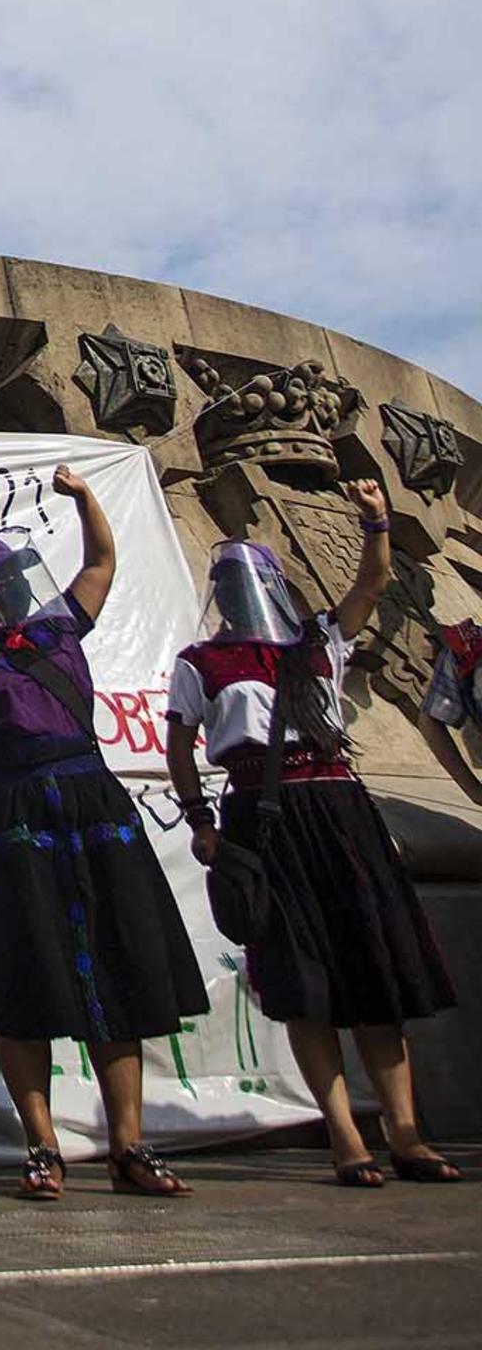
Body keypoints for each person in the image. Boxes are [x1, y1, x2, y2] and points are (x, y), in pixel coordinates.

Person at [0, 468, 207, 1201]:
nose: (8, 584)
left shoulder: (58, 627)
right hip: (0, 815)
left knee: (117, 965)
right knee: (22, 977)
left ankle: (129, 1144)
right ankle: (42, 1145)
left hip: (88, 804)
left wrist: (83, 498)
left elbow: (102, 561)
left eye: (13, 573)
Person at [166, 486, 460, 1188]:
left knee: (374, 972)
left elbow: (374, 581)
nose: (240, 593)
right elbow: (181, 744)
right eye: (228, 585)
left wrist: (376, 520)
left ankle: (407, 1133)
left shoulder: (317, 640)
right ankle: (346, 1136)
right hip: (263, 820)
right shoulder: (201, 662)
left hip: (337, 806)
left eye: (250, 582)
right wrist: (200, 818)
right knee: (304, 982)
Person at [417, 582, 482, 813]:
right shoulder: (468, 649)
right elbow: (430, 720)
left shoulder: (469, 649)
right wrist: (475, 792)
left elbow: (430, 720)